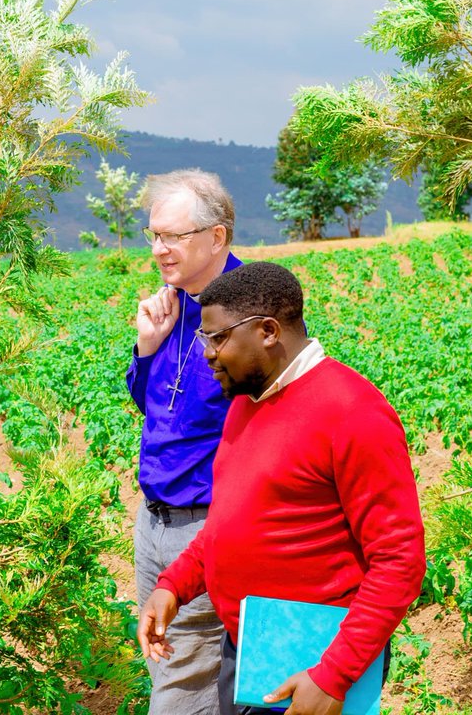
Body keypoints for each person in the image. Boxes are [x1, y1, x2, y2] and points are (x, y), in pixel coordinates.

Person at [136, 261, 426, 715]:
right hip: (249, 645)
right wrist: (174, 585)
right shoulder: (247, 400)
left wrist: (334, 675)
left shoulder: (353, 412)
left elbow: (399, 560)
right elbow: (231, 522)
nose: (208, 354)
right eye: (204, 338)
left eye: (218, 338)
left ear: (268, 331)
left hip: (313, 658)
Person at [126, 168, 240, 714]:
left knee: (182, 686)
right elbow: (157, 408)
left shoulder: (247, 310)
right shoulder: (173, 302)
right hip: (152, 521)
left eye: (173, 236)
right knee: (170, 668)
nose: (158, 249)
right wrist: (148, 348)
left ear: (216, 237)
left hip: (205, 524)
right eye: (154, 235)